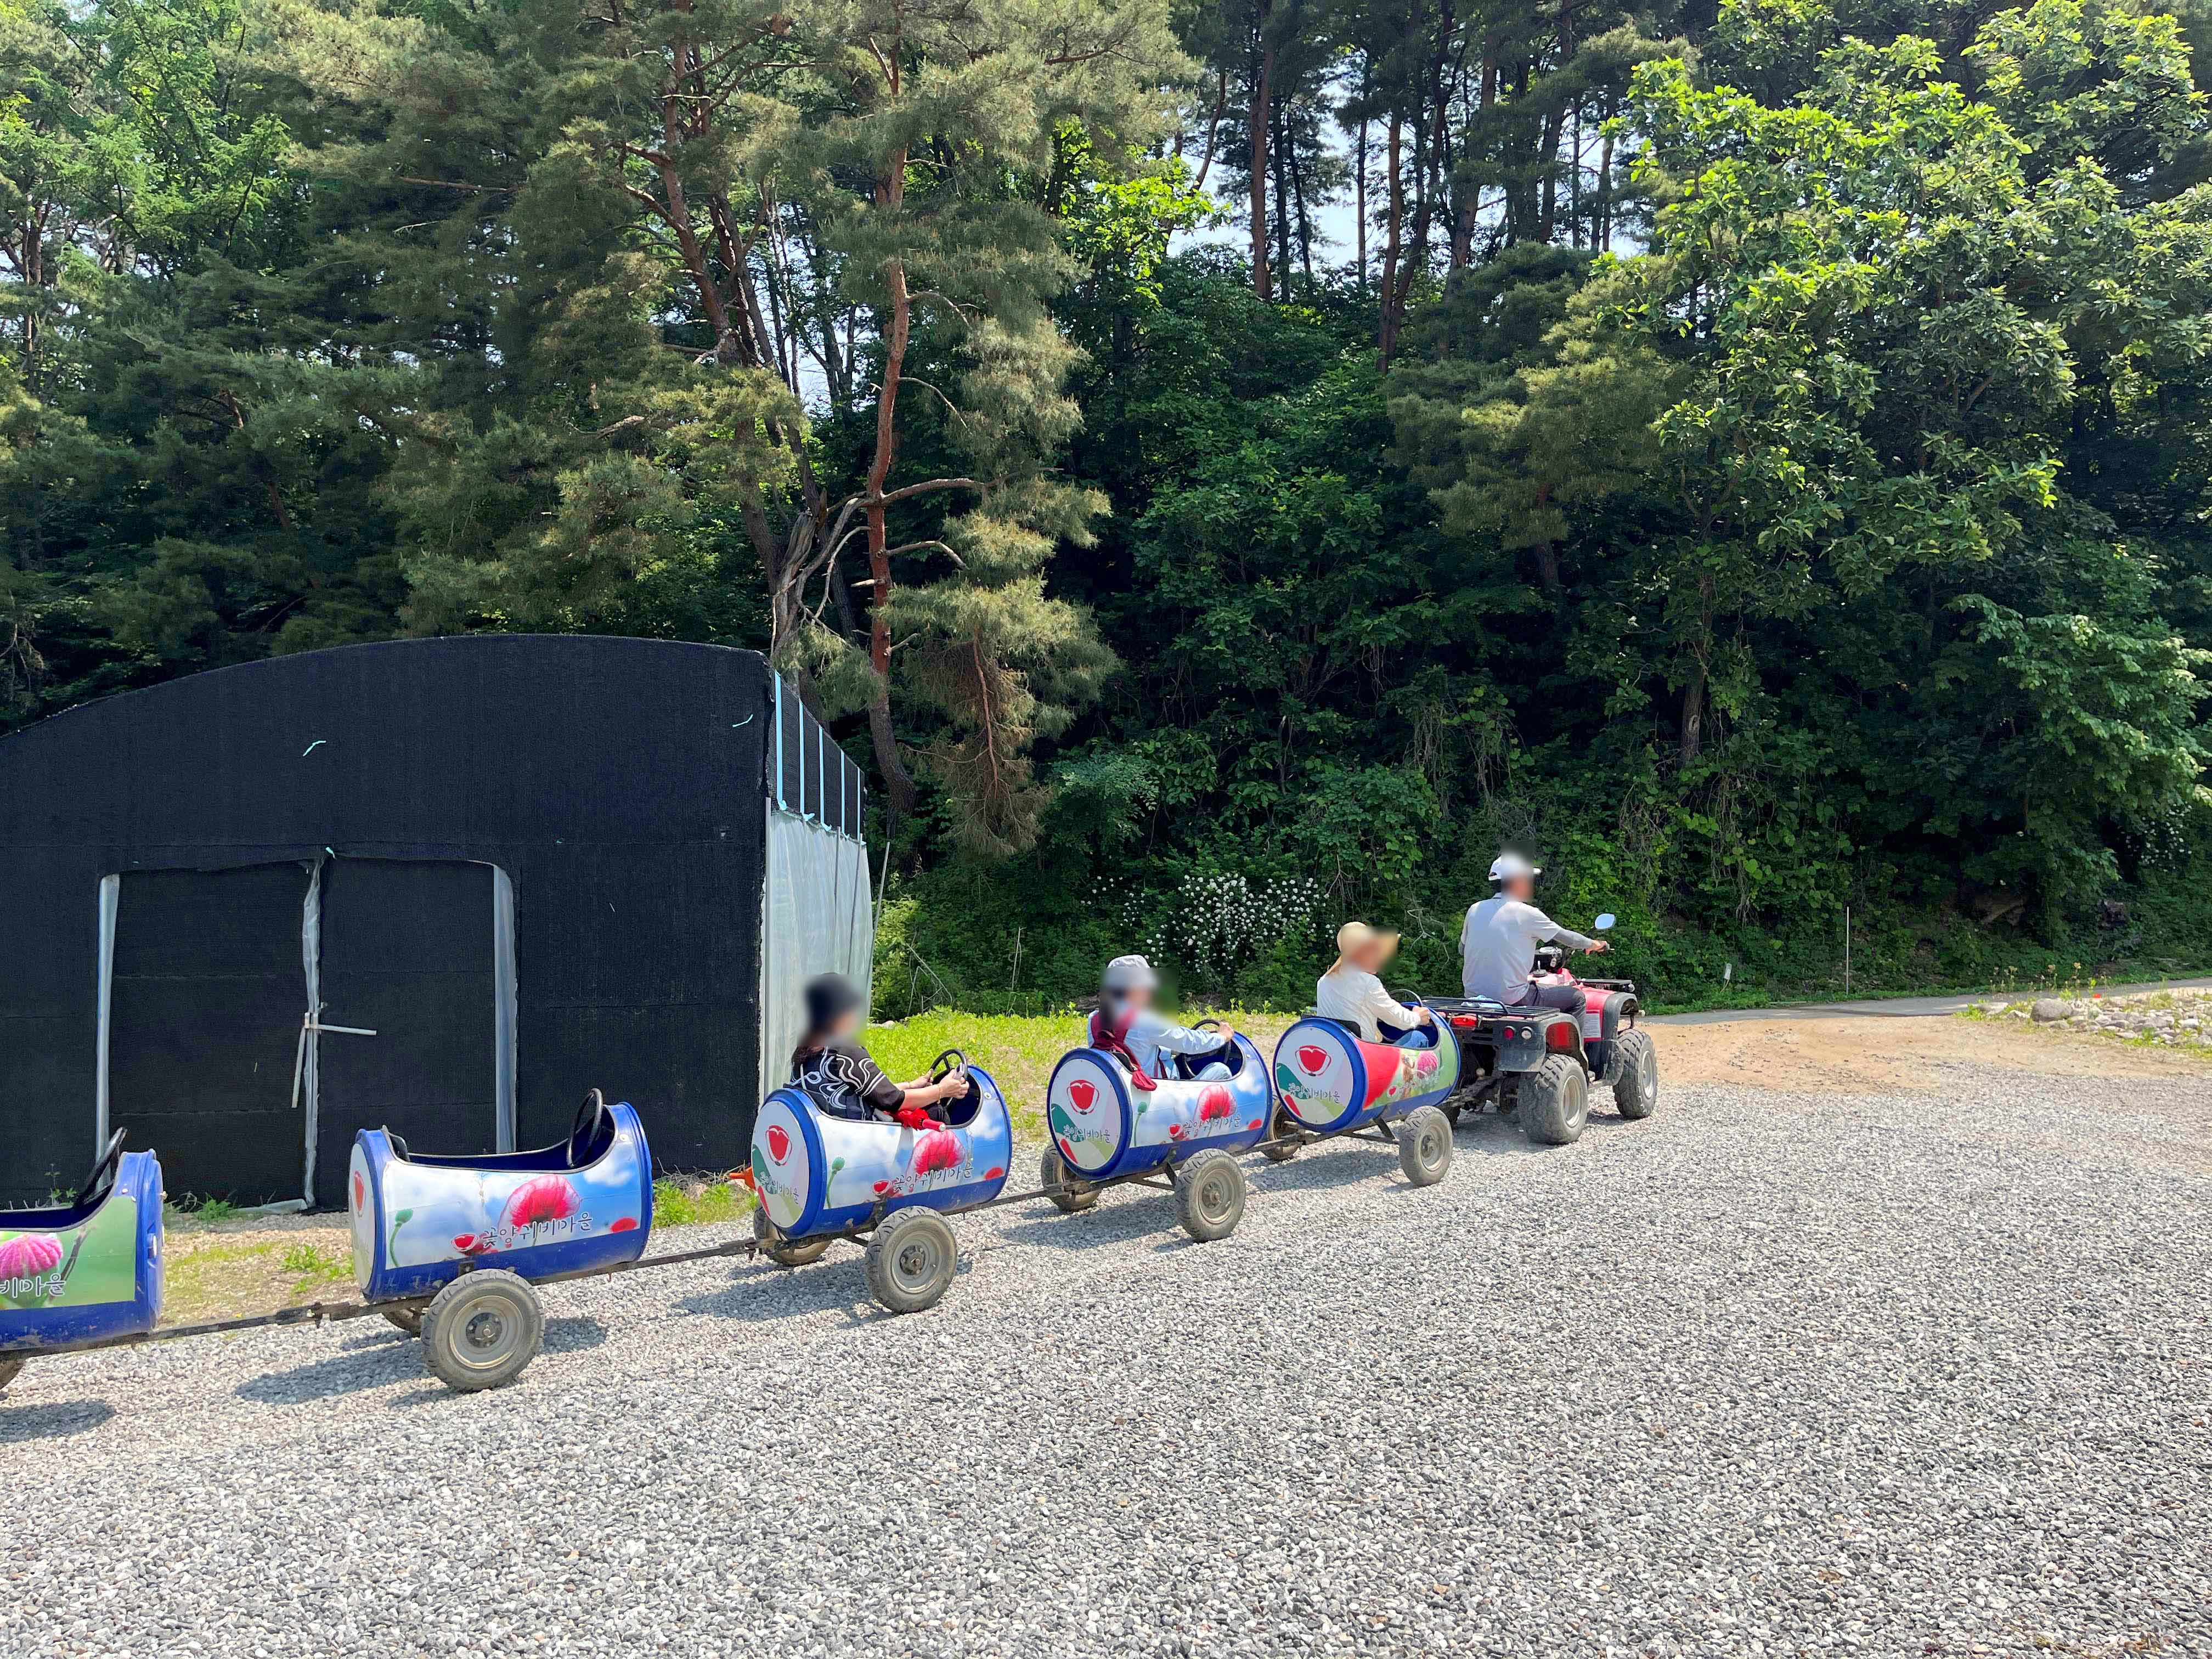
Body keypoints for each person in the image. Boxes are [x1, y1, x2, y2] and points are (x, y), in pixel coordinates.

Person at [789, 973, 968, 1126]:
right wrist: (942, 1091)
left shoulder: (805, 1050)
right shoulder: (845, 1051)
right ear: (839, 1012)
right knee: (936, 1112)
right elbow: (893, 1102)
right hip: (859, 1135)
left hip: (826, 1130)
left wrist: (911, 1086)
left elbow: (861, 1093)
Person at [1460, 851, 1609, 1015]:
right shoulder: (1527, 913)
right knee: (1577, 998)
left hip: (1472, 999)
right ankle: (1577, 1042)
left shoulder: (1474, 909)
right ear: (1517, 882)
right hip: (1513, 999)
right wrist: (1594, 944)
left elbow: (1462, 949)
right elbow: (1567, 938)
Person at [1094, 955, 1241, 1082]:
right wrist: (1221, 1037)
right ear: (1135, 989)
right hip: (1157, 1094)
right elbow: (1190, 1043)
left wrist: (1172, 1049)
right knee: (1222, 1070)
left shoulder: (1094, 1020)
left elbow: (1136, 1046)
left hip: (1119, 1087)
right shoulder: (1145, 1021)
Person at [1315, 922, 1436, 1043]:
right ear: (1359, 953)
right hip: (1365, 1056)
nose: (1380, 957)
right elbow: (1399, 1019)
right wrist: (1418, 1017)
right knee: (1418, 1037)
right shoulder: (1368, 983)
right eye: (1375, 951)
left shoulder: (1323, 982)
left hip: (1335, 1052)